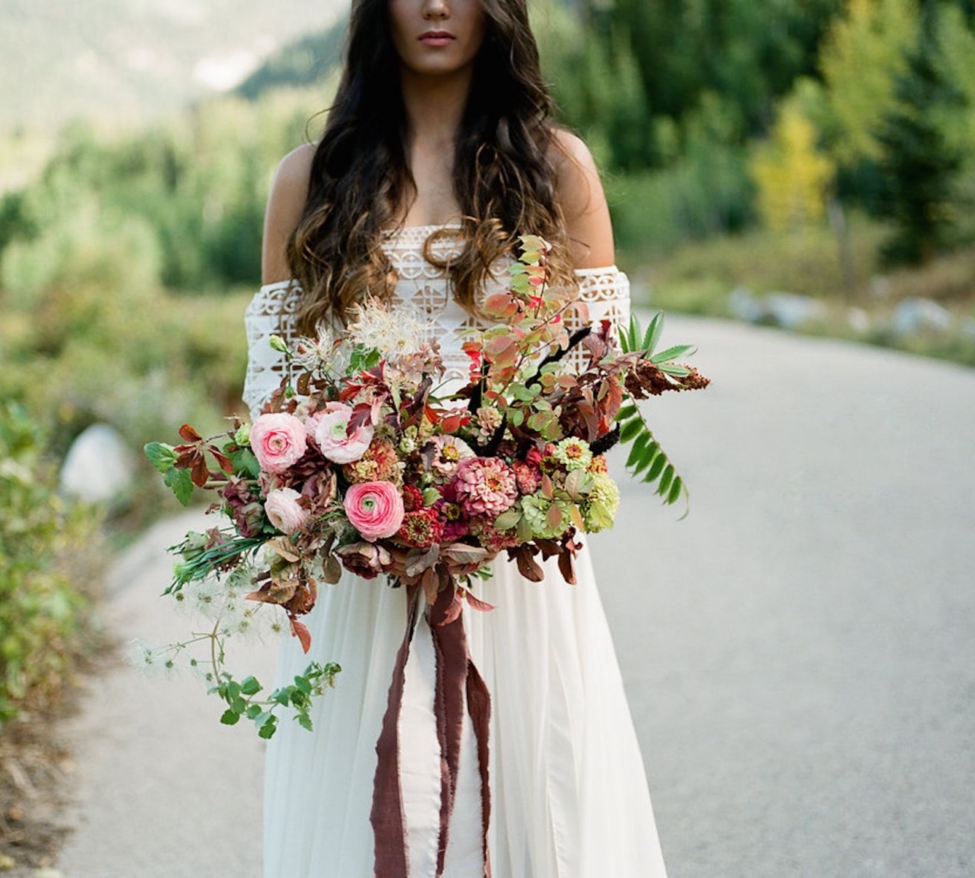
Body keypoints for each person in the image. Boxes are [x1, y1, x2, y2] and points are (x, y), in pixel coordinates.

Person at [244, 1, 668, 876]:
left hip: (517, 578)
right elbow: (277, 407)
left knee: (534, 807)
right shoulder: (308, 182)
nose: (437, 3)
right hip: (363, 581)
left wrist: (501, 488)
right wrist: (355, 492)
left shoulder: (557, 170)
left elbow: (597, 405)